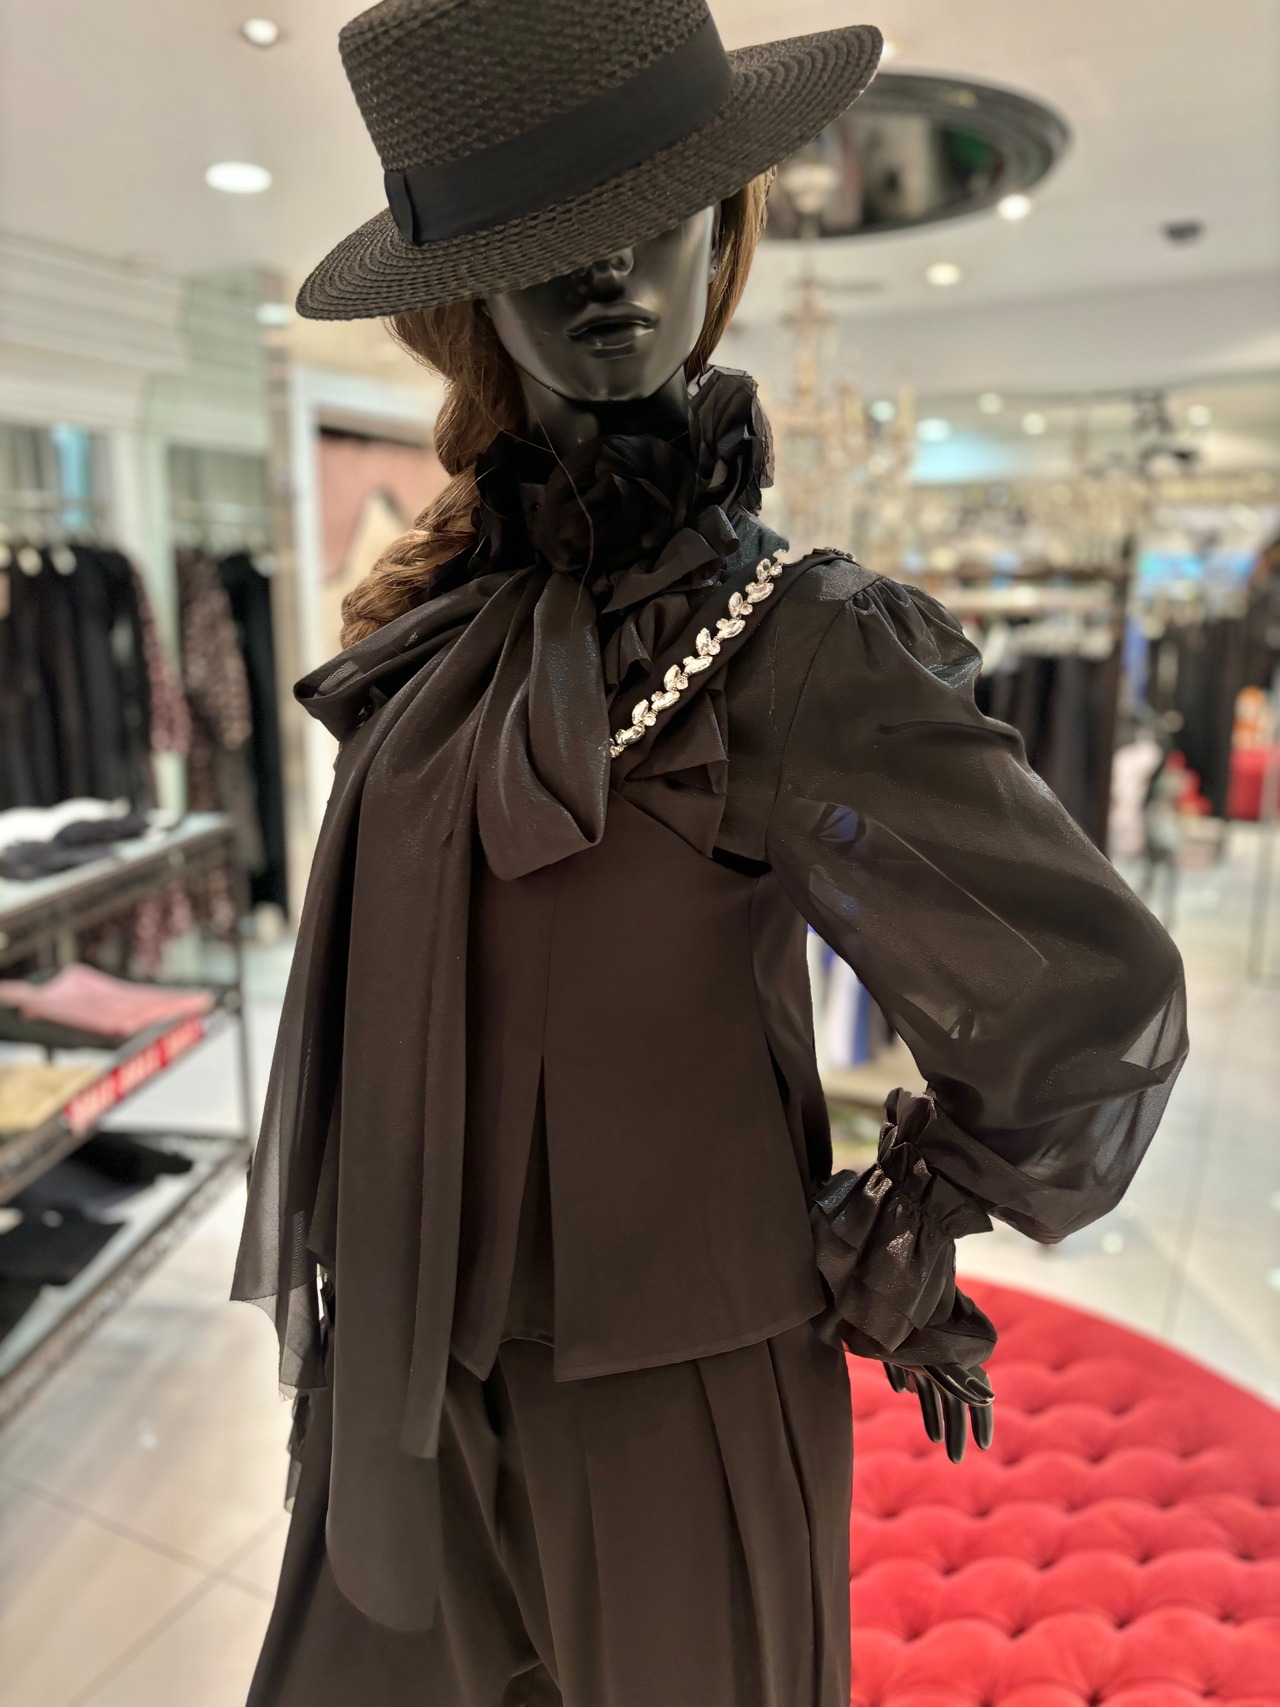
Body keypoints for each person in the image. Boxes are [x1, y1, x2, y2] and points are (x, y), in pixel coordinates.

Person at [233, 3, 1189, 1703]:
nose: (606, 272)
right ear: (469, 293)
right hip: (412, 1380)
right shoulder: (439, 631)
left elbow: (1087, 992)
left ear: (722, 224)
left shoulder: (803, 641)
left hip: (674, 1396)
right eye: (541, 239)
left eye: (647, 213)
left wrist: (897, 1223)